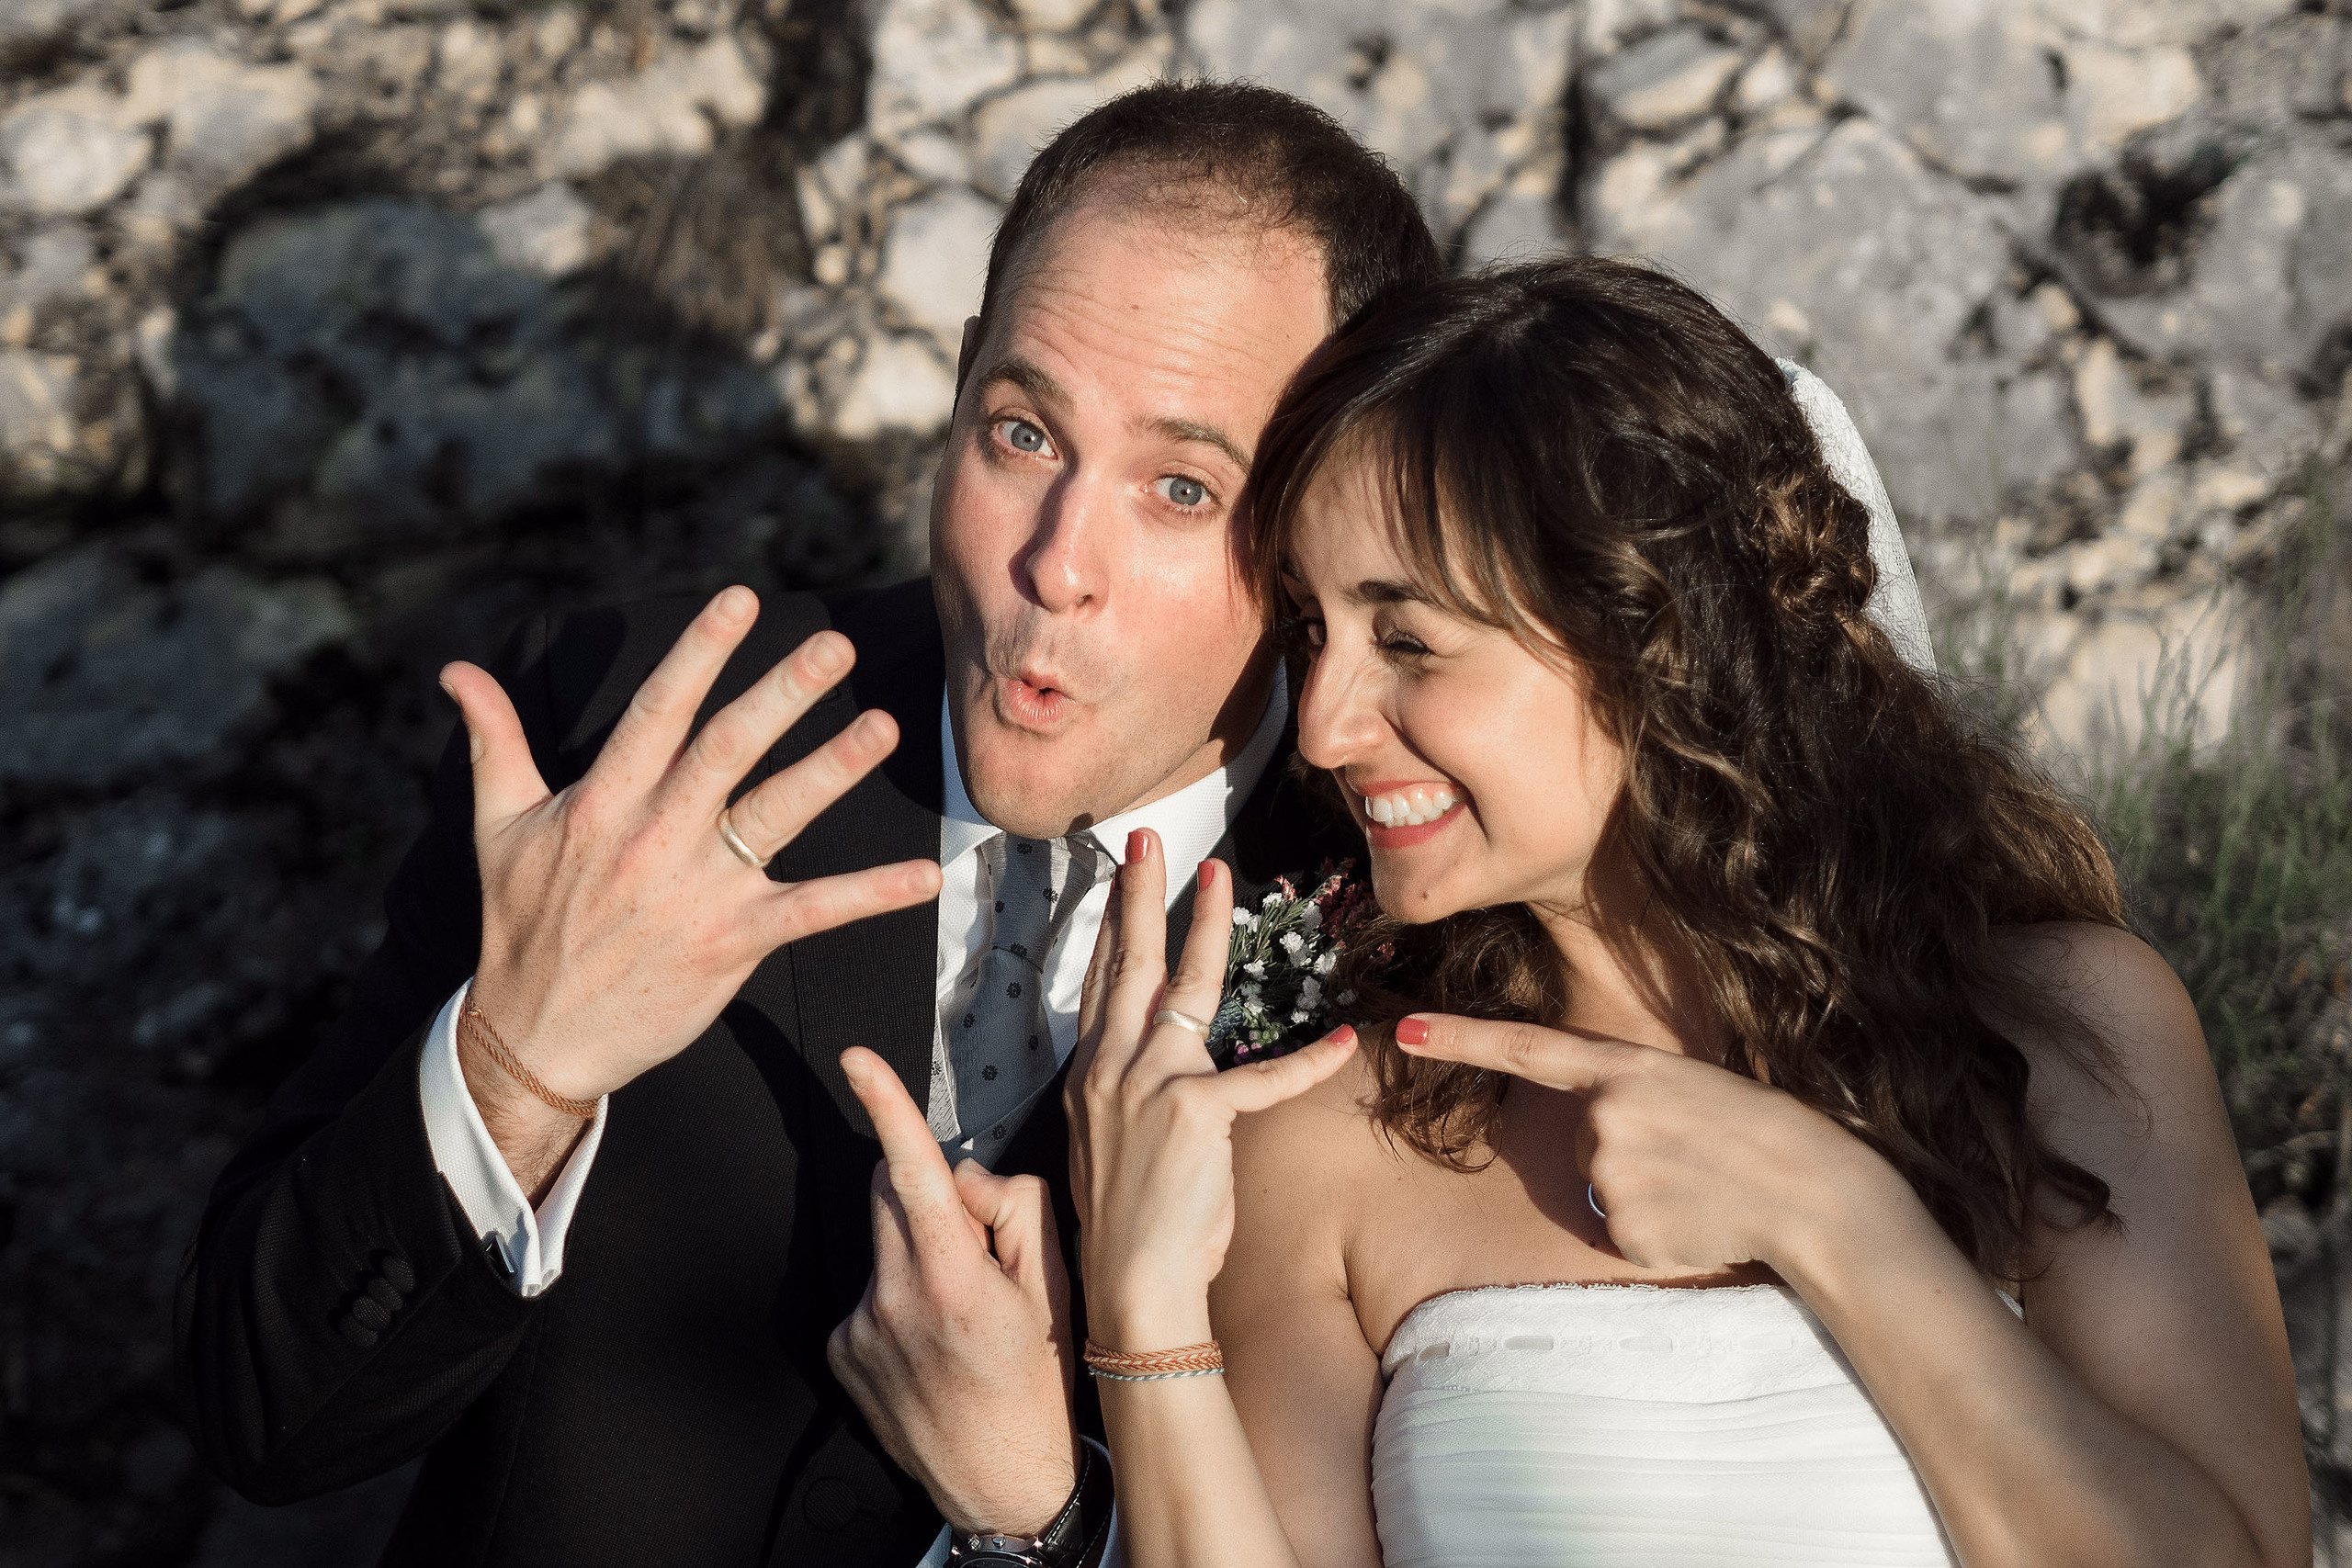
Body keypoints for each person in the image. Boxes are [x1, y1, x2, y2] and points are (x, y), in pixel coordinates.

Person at [175, 83, 1410, 1567]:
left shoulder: (1421, 915)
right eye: (1022, 431)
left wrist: (1047, 1528)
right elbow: (271, 1418)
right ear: (959, 387)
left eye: (1180, 486)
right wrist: (521, 1065)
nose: (1052, 564)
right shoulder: (620, 724)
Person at [1018, 257, 2307, 1566]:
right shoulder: (1325, 1136)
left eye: (1406, 640)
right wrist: (1143, 1311)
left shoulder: (2061, 1033)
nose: (1330, 726)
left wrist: (1834, 1215)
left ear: (1652, 637)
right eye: (1311, 632)